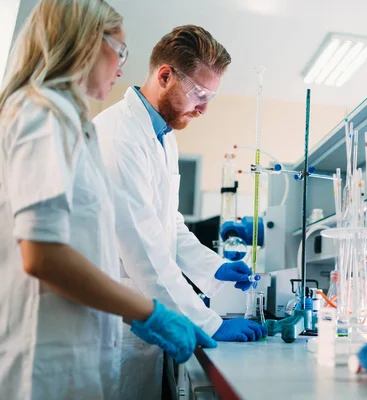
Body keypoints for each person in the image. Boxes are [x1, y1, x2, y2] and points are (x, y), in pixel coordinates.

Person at [0, 2, 216, 399]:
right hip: (43, 357)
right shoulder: (40, 114)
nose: (121, 65)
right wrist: (149, 311)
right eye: (120, 49)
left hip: (81, 346)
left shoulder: (70, 122)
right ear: (82, 41)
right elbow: (42, 255)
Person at [93, 24, 266, 398]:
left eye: (211, 97)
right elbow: (143, 248)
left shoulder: (163, 137)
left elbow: (167, 224)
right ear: (165, 75)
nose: (204, 108)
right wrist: (211, 323)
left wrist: (213, 268)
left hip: (145, 317)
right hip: (115, 327)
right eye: (199, 93)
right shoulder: (119, 135)